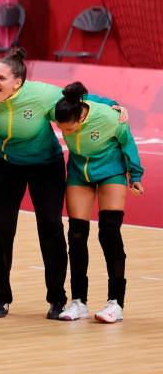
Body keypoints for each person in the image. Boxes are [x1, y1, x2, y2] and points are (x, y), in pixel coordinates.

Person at [0, 48, 125, 319]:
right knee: (0, 230)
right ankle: (1, 298)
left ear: (18, 82)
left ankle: (57, 299)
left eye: (1, 77)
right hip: (4, 164)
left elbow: (81, 100)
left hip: (45, 166)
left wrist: (113, 104)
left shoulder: (42, 95)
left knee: (50, 227)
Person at [53, 82, 143, 323]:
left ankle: (116, 303)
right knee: (77, 235)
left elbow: (128, 142)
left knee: (109, 232)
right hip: (79, 172)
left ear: (81, 118)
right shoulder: (65, 109)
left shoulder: (108, 118)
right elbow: (82, 97)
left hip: (110, 171)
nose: (65, 134)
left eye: (68, 130)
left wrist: (135, 175)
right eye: (61, 130)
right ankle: (78, 302)